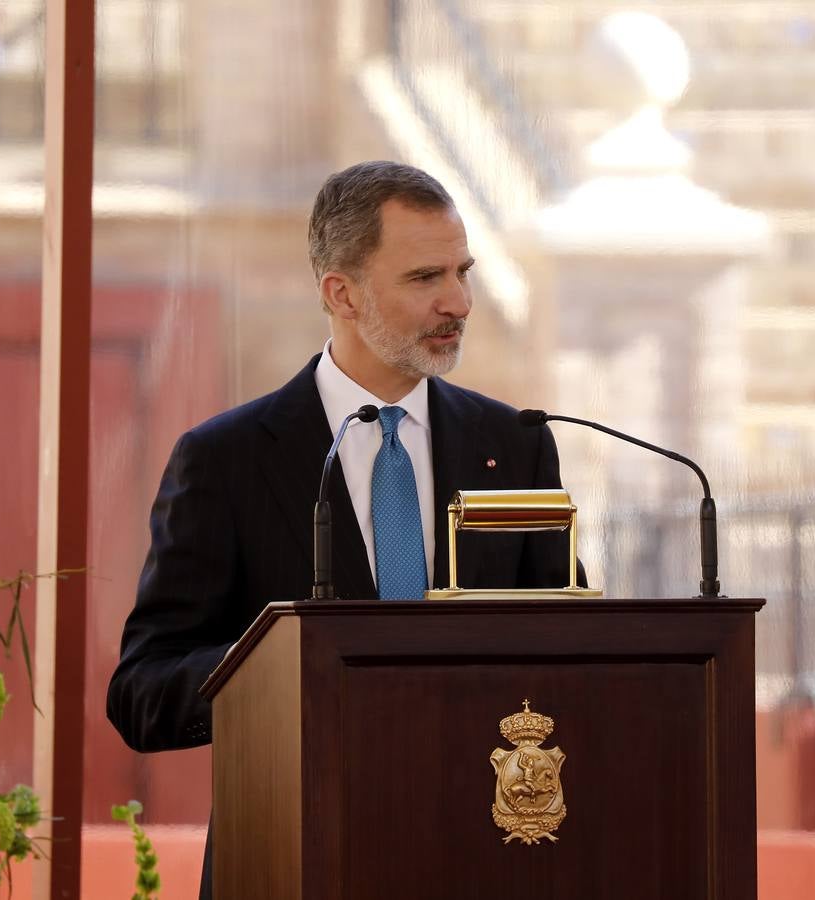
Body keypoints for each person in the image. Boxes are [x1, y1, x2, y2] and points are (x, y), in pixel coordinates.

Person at [106, 160, 582, 899]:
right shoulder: (226, 460)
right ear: (342, 293)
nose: (457, 301)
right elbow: (142, 693)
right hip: (291, 857)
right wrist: (276, 665)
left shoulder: (514, 445)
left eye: (464, 272)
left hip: (485, 856)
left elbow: (569, 648)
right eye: (425, 279)